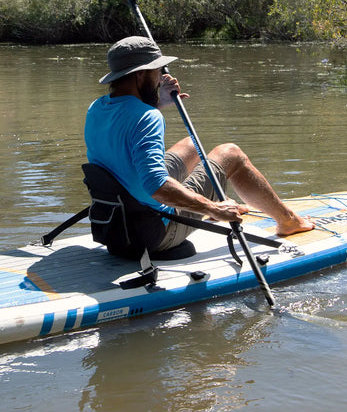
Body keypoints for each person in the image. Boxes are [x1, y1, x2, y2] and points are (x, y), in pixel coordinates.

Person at [84, 36, 313, 252]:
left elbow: (128, 126)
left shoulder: (96, 108)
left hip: (116, 227)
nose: (158, 78)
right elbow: (157, 186)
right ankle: (288, 221)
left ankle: (212, 196)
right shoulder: (147, 117)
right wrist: (214, 209)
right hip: (157, 232)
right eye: (156, 71)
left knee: (192, 146)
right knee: (230, 153)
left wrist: (158, 102)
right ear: (141, 75)